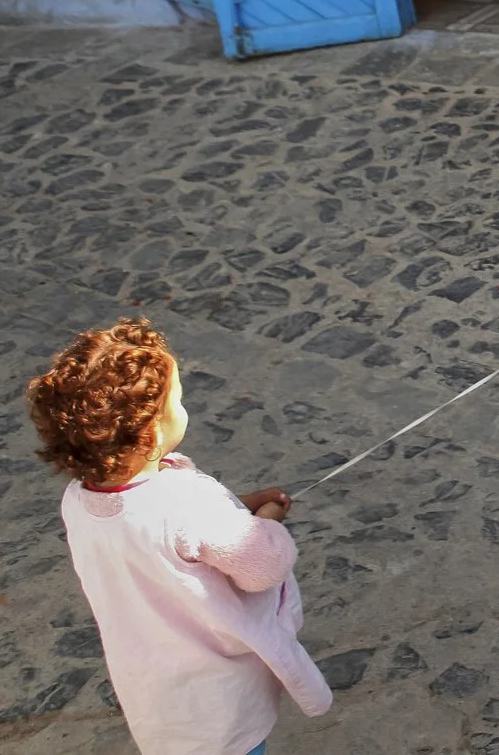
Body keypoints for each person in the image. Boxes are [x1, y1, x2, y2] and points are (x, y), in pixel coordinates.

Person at [25, 319, 331, 755]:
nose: (183, 406)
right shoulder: (184, 504)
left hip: (155, 686)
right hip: (217, 693)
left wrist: (238, 504)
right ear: (151, 431)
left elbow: (170, 534)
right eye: (178, 400)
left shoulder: (79, 500)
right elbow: (261, 566)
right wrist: (268, 520)